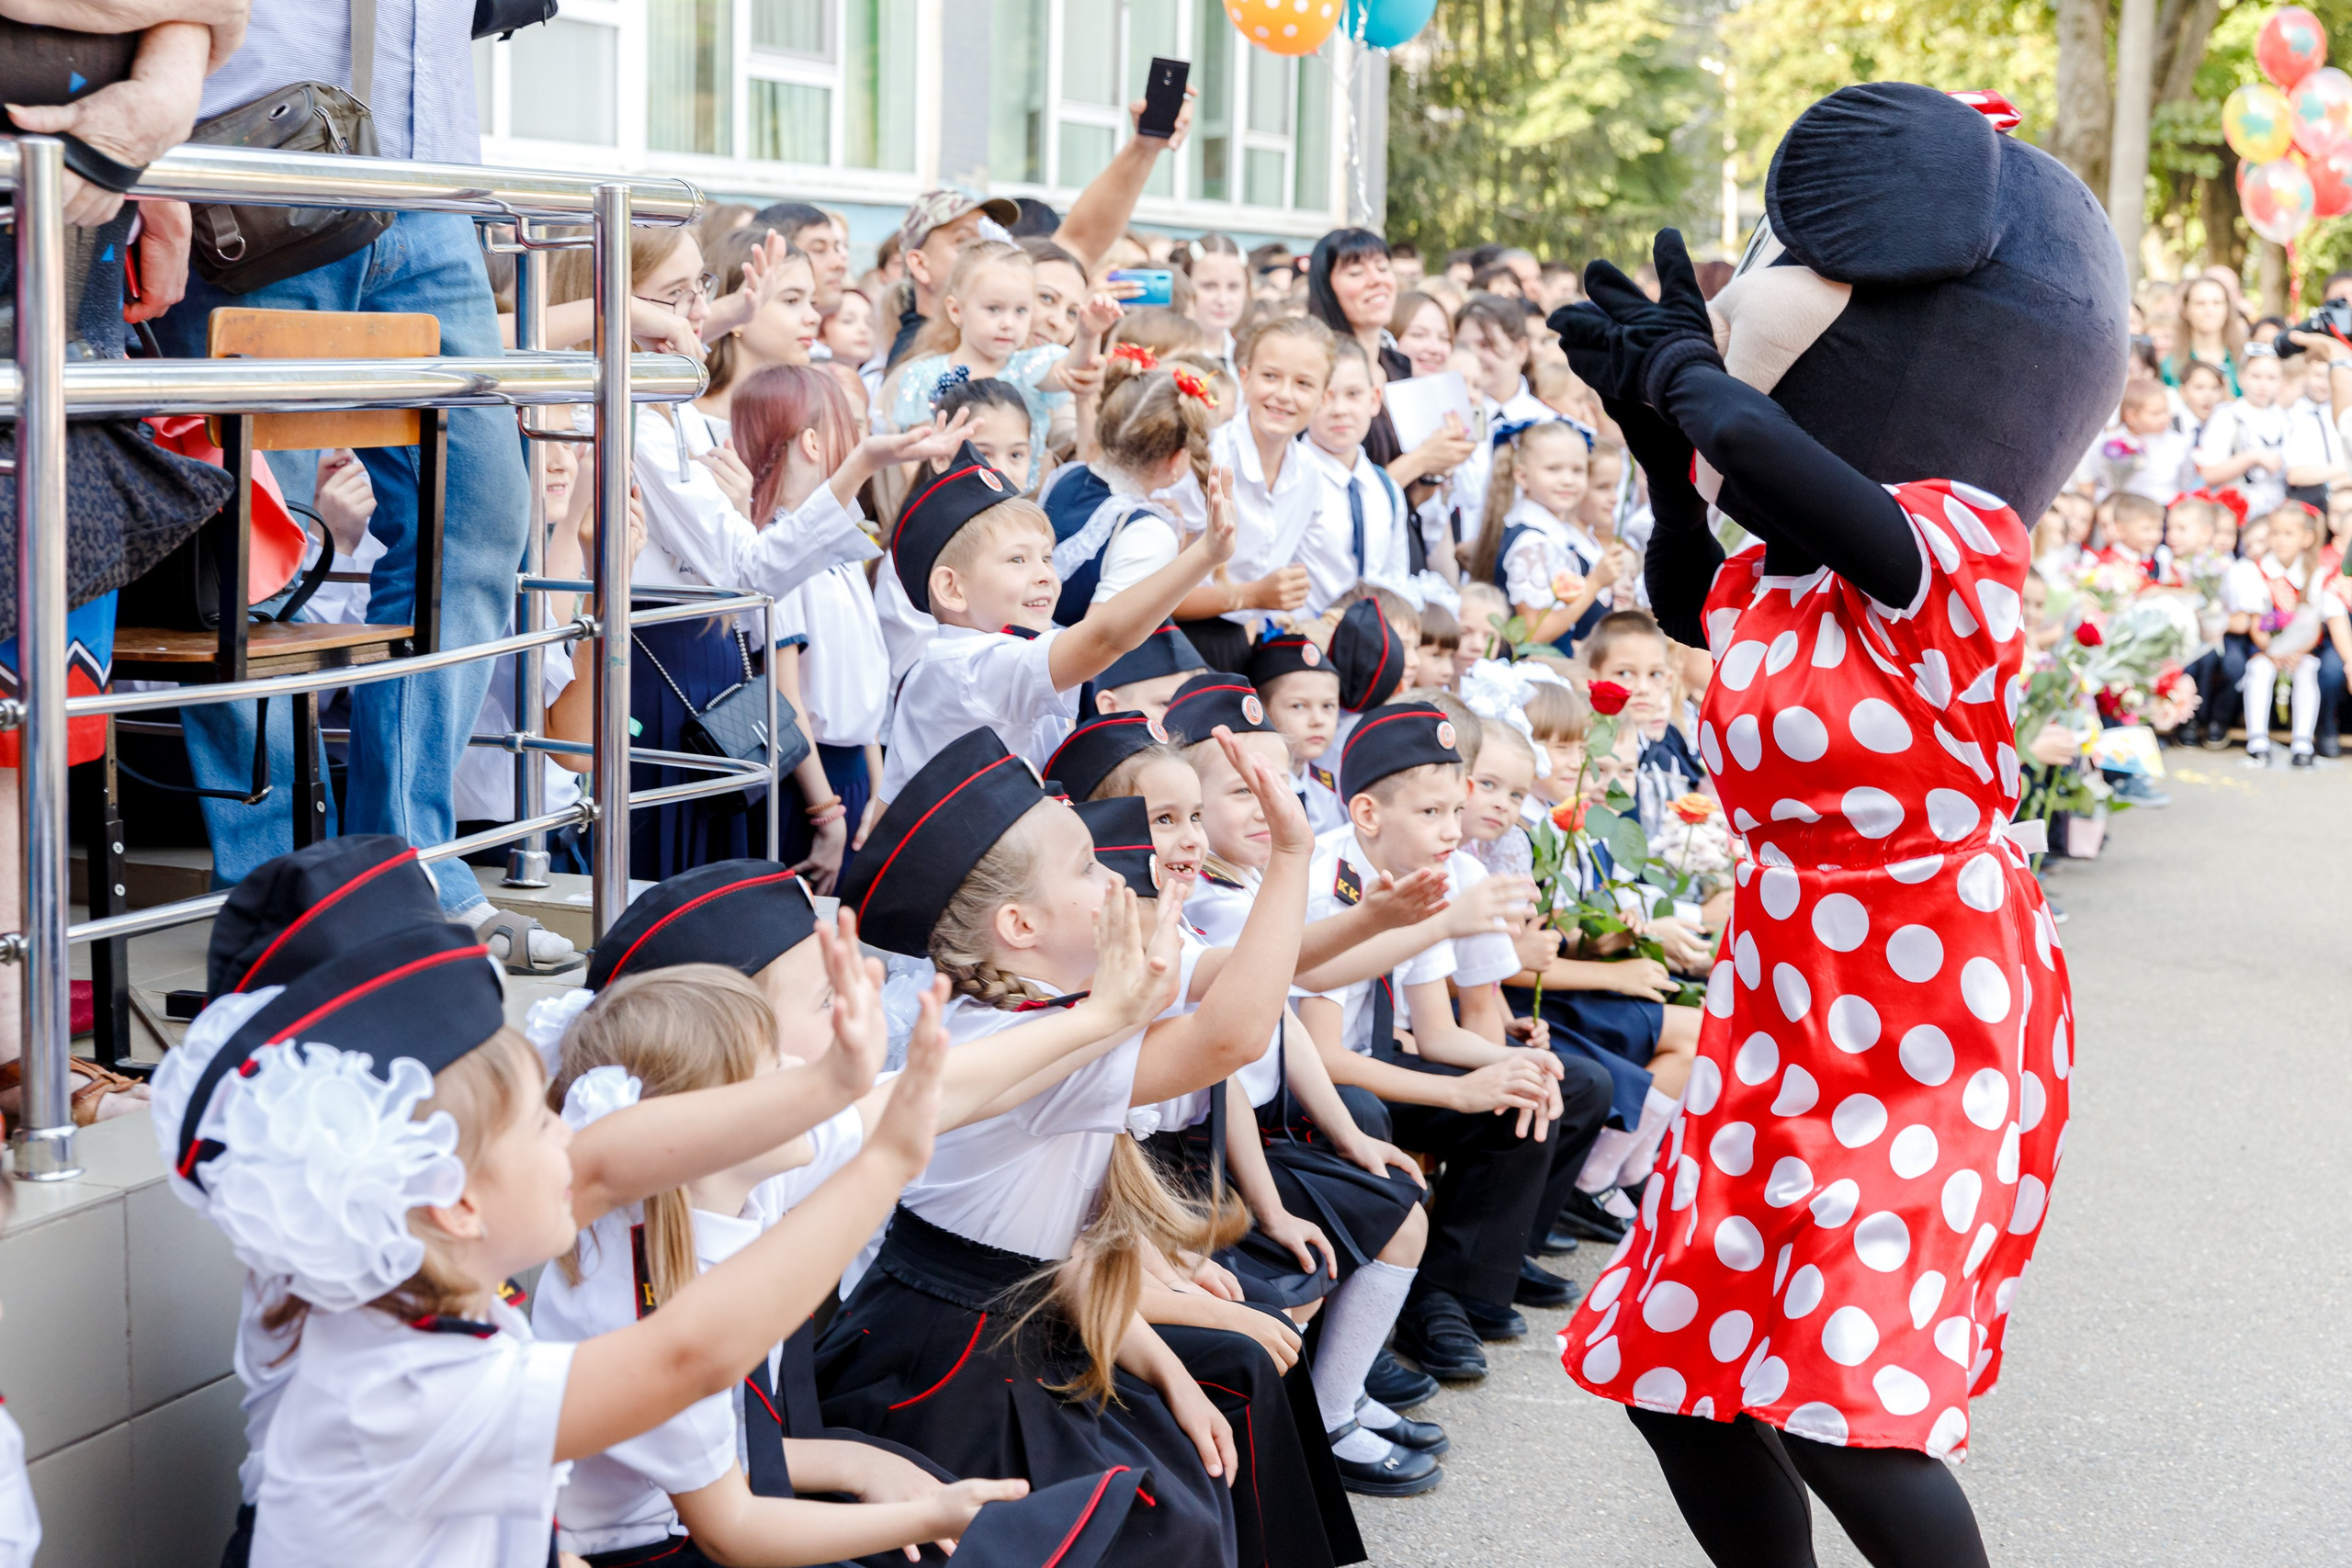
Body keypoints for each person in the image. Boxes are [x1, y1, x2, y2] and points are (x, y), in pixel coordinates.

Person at [1557, 75, 2116, 1561]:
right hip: (1785, 983)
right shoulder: (1788, 570)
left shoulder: (1955, 544)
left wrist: (1689, 384)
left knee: (1836, 1405)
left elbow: (1773, 455)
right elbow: (1691, 579)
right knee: (1683, 1370)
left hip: (1932, 988)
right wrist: (1647, 426)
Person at [820, 727, 1310, 1568]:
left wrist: (1169, 1370)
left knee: (1179, 1488)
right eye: (1088, 866)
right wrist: (1294, 857)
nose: (1116, 877)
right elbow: (1230, 1036)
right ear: (1019, 924)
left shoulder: (1036, 1020)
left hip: (994, 1317)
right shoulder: (1032, 1038)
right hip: (952, 1358)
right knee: (1155, 1524)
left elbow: (1046, 1258)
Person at [1294, 703, 1580, 1381]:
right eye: (1431, 814)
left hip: (1376, 1057)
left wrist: (1514, 1060)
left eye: (1457, 811)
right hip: (1317, 1075)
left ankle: (1448, 1295)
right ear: (1368, 815)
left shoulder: (1433, 873)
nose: (1452, 830)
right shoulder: (1328, 883)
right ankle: (1358, 1329)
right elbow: (1327, 1055)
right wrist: (1459, 1088)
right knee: (1369, 1107)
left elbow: (1437, 1029)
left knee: (1537, 1082)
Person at [874, 445, 1236, 803]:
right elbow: (1105, 637)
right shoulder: (971, 665)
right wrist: (1205, 556)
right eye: (1017, 559)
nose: (1046, 574)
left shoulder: (961, 659)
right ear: (952, 589)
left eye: (1046, 557)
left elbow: (890, 803)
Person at [730, 366, 895, 886]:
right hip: (807, 777)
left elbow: (865, 687)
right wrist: (826, 814)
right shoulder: (783, 550)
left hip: (851, 771)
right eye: (849, 427)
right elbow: (786, 698)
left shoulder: (836, 544)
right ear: (813, 442)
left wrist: (878, 789)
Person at [886, 240, 1114, 464]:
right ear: (956, 310)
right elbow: (914, 462)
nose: (1008, 323)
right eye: (994, 309)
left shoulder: (1029, 366)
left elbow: (1072, 371)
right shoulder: (924, 375)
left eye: (1021, 311)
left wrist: (1088, 334)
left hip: (1023, 500)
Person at [1186, 317, 1331, 670]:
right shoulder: (1207, 456)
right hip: (1182, 638)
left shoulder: (1311, 473)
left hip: (1243, 638)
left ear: (1322, 398)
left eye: (1303, 384)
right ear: (1245, 378)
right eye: (1270, 377)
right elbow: (1162, 593)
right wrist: (1254, 596)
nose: (1283, 394)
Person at [1470, 420, 1621, 652]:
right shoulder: (1531, 541)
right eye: (1553, 469)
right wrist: (1595, 583)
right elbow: (1532, 632)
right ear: (1522, 476)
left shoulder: (1551, 532)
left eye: (1577, 470)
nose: (1568, 480)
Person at [1296, 340, 1414, 615]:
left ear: (1374, 400)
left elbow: (1395, 579)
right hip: (1303, 641)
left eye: (1353, 394)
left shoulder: (1385, 488)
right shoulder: (1289, 477)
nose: (1340, 409)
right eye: (1326, 395)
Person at [2240, 503, 2350, 766]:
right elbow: (2258, 625)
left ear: (2307, 538)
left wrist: (2297, 651)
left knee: (2308, 670)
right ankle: (2257, 741)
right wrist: (2273, 651)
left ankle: (2302, 743)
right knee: (2259, 671)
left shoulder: (2315, 574)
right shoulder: (2257, 571)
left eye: (2288, 534)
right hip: (2267, 649)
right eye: (2275, 533)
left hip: (2302, 651)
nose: (2279, 540)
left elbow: (2312, 625)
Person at [1304, 229, 1407, 466]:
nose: (1376, 280)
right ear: (1326, 287)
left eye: (1382, 268)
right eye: (1356, 272)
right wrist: (1422, 460)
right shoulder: (1314, 368)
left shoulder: (1399, 367)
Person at [2195, 341, 2290, 522]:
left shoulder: (2284, 418)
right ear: (2241, 378)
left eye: (2271, 378)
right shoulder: (2227, 416)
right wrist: (2251, 457)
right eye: (2256, 376)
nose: (2263, 385)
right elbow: (2209, 474)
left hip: (2277, 512)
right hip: (2237, 513)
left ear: (2281, 382)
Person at [1181, 233, 1251, 375]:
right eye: (1209, 286)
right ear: (1186, 285)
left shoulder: (1249, 356)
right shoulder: (1170, 356)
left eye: (1233, 286)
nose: (1222, 300)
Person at [2164, 274, 2245, 392]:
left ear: (2227, 309)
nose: (2209, 310)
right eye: (2200, 303)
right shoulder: (2170, 365)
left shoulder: (2244, 360)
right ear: (2185, 310)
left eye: (2217, 303)